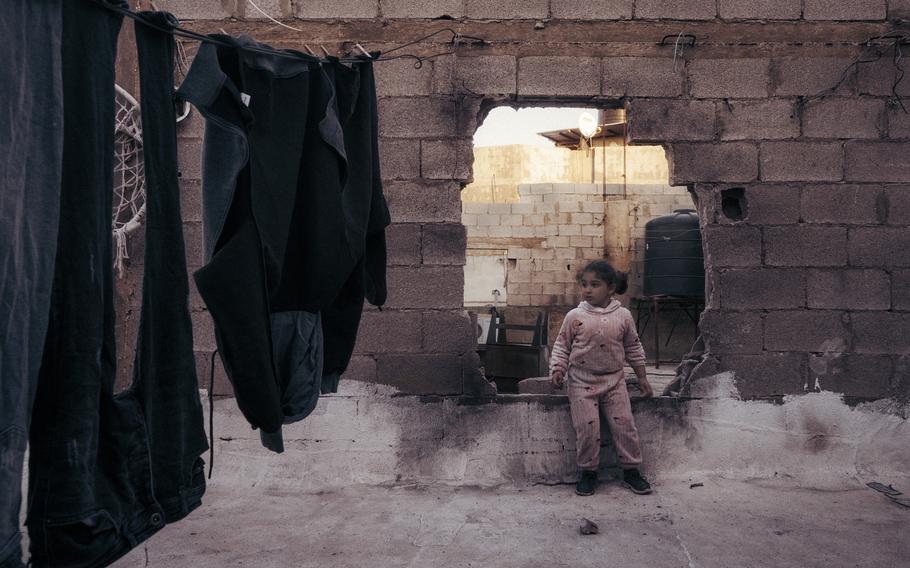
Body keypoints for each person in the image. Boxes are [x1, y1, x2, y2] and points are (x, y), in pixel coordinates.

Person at [549, 260, 654, 496]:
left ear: (610, 287)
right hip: (581, 382)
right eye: (584, 284)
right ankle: (589, 472)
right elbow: (561, 346)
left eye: (594, 285)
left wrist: (643, 378)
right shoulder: (574, 316)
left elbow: (634, 348)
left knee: (625, 425)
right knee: (587, 428)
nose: (587, 290)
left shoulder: (624, 316)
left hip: (614, 382)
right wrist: (558, 370)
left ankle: (631, 471)